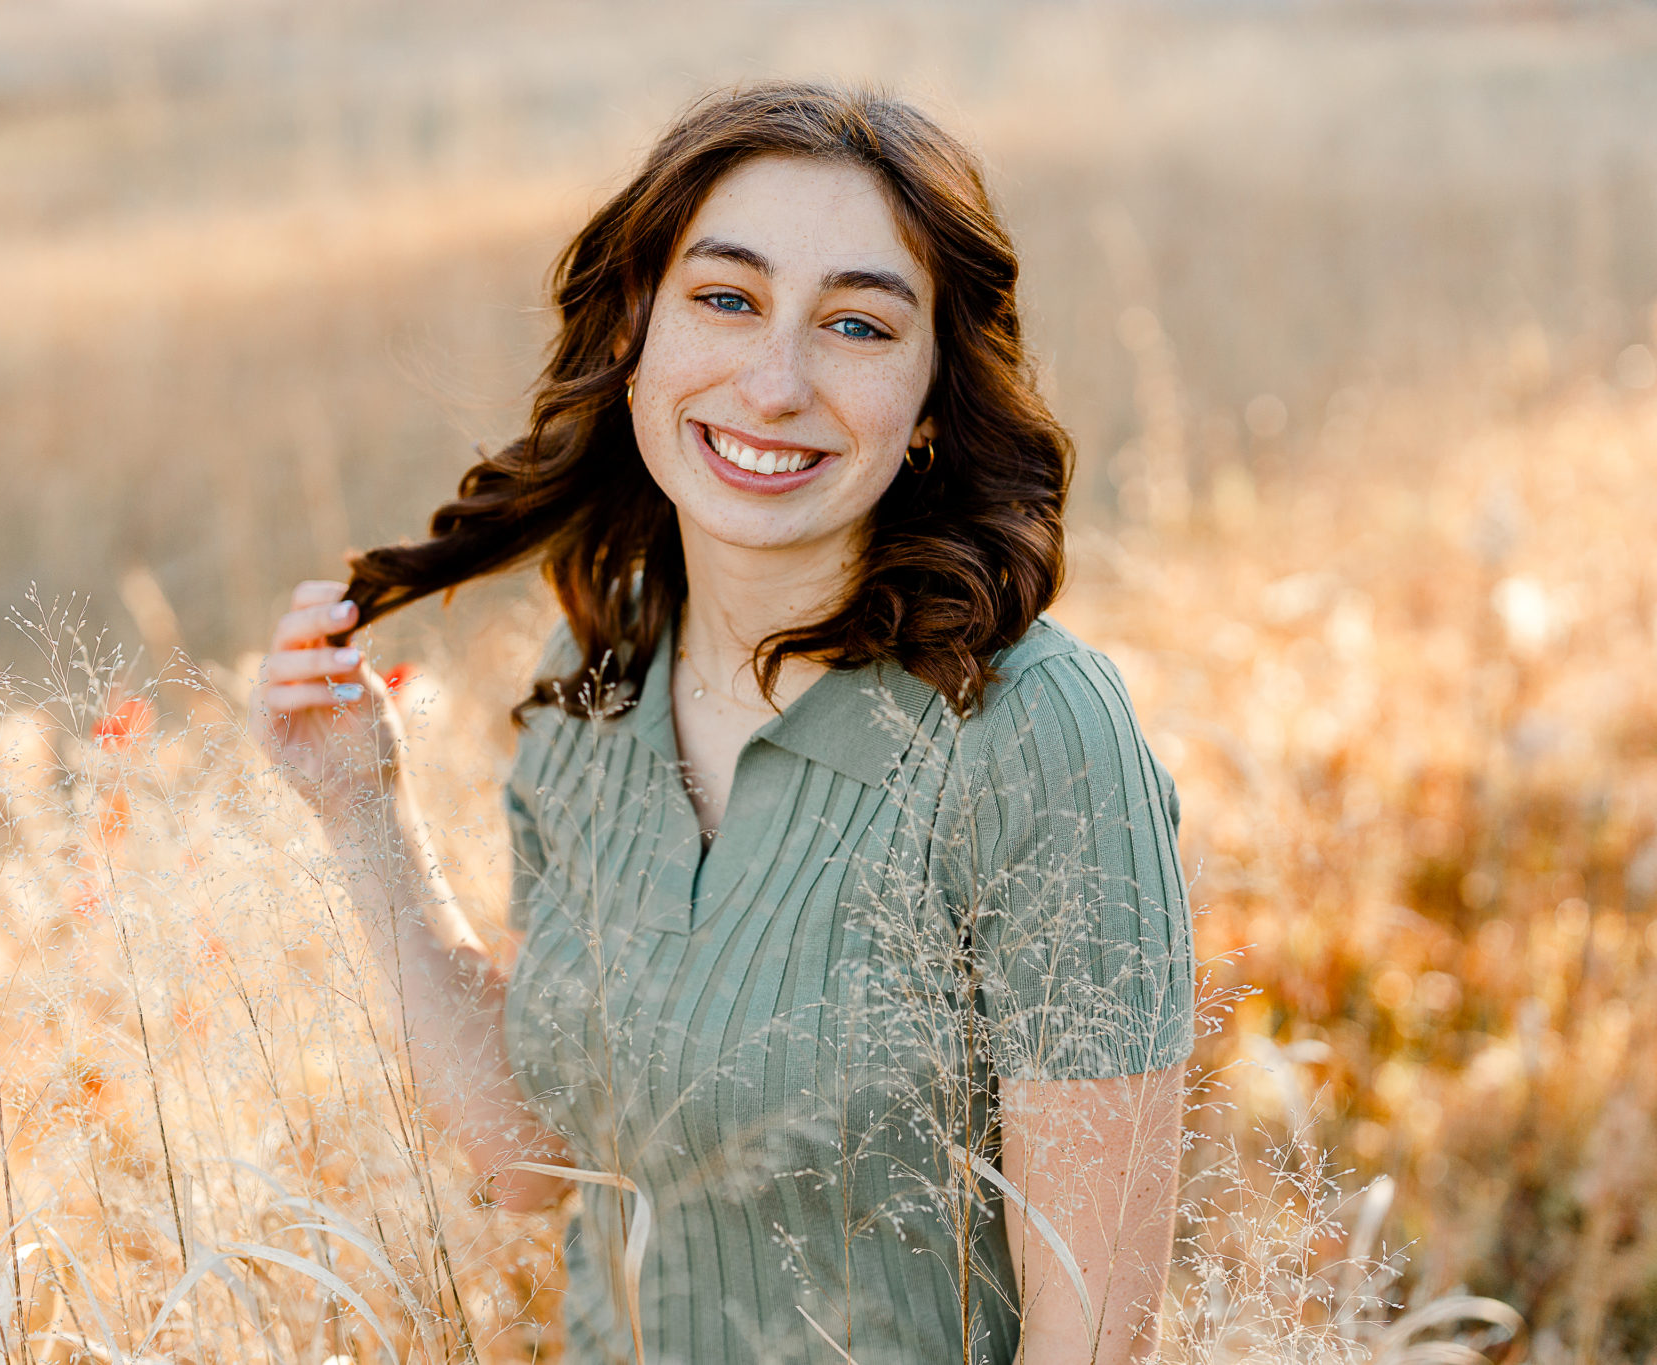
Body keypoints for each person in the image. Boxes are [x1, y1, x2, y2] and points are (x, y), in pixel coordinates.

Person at [251, 82, 1193, 1365]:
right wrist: (359, 804)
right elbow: (535, 1162)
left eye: (855, 325)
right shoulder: (599, 671)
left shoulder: (1030, 733)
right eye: (726, 298)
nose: (774, 381)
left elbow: (1091, 1340)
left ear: (929, 403)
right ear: (634, 331)